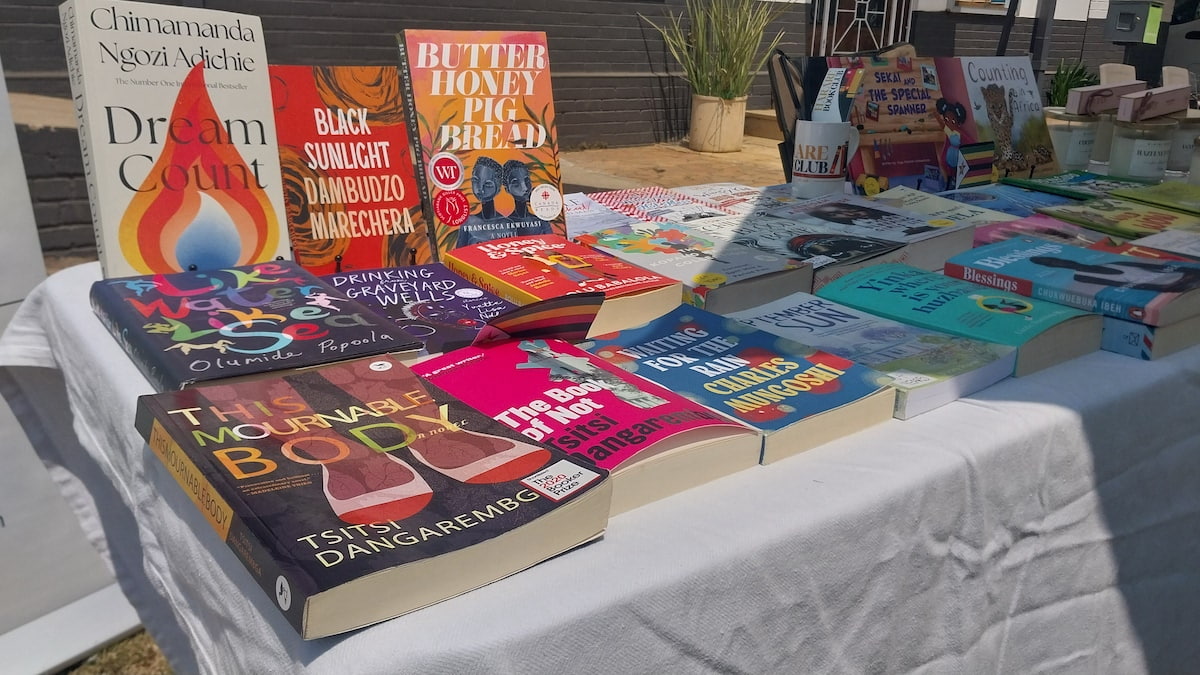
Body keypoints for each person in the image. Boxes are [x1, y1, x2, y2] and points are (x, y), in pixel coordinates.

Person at [1029, 255, 1200, 293]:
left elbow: (1149, 264)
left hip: (1186, 276)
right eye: (1050, 264)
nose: (1058, 263)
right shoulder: (1081, 277)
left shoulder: (1112, 261)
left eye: (1053, 259)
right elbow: (1137, 287)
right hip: (1175, 287)